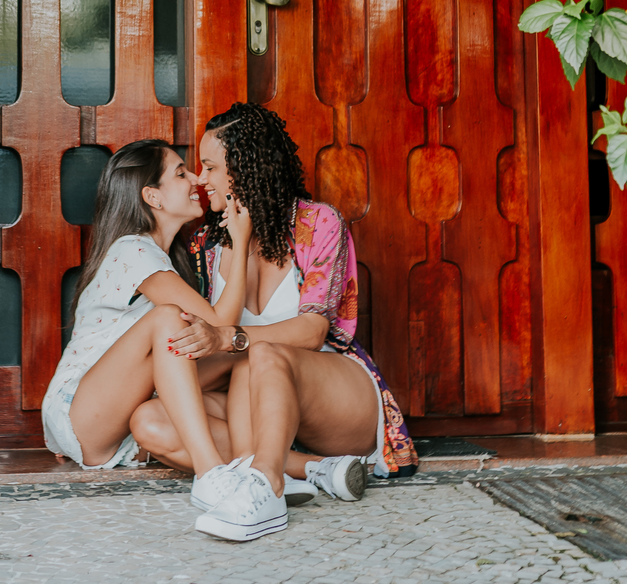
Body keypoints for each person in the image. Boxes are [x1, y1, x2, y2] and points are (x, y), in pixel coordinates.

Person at [129, 103, 418, 543]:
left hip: (332, 395)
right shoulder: (206, 244)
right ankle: (312, 471)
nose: (201, 180)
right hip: (255, 405)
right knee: (151, 419)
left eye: (210, 167)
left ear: (245, 169)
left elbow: (313, 332)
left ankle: (267, 488)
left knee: (260, 353)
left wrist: (226, 337)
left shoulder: (318, 223)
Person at [41, 139, 263, 518]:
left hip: (114, 416)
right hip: (81, 412)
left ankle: (290, 465)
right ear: (153, 197)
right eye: (181, 173)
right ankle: (210, 473)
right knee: (171, 320)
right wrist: (240, 243)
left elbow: (216, 337)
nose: (196, 180)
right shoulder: (134, 250)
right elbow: (219, 326)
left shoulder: (163, 257)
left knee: (240, 354)